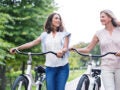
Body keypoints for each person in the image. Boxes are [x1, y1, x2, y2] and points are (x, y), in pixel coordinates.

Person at [10, 13, 71, 90]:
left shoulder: (65, 34)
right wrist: (17, 48)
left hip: (63, 67)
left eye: (59, 19)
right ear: (50, 20)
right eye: (56, 18)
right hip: (50, 68)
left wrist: (62, 52)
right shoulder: (44, 35)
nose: (58, 20)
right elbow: (32, 43)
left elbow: (66, 47)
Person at [70, 9, 120, 90]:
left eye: (103, 17)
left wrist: (117, 22)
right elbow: (88, 48)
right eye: (100, 17)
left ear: (110, 18)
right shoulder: (99, 33)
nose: (101, 19)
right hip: (106, 67)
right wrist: (75, 49)